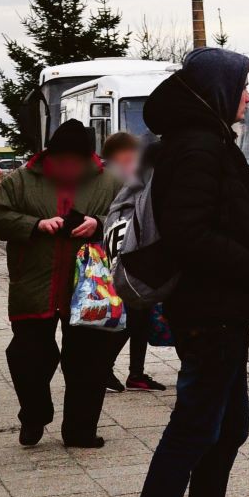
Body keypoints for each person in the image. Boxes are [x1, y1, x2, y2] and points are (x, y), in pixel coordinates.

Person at [121, 48, 249, 497]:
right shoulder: (198, 146)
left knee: (227, 426)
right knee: (192, 430)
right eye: (241, 86)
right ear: (216, 89)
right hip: (208, 313)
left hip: (221, 311)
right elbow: (189, 234)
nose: (245, 96)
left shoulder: (203, 141)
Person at [0, 119, 122, 448]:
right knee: (28, 356)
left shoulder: (110, 181)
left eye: (76, 159)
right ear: (49, 154)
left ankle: (79, 431)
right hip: (34, 285)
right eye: (62, 158)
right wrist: (35, 225)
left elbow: (128, 220)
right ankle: (34, 415)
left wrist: (97, 224)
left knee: (89, 362)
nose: (69, 166)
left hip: (88, 287)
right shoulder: (21, 180)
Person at [99, 131, 168, 394]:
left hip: (132, 255)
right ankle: (104, 367)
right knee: (129, 319)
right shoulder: (112, 179)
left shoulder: (134, 175)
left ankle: (135, 373)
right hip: (122, 258)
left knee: (140, 316)